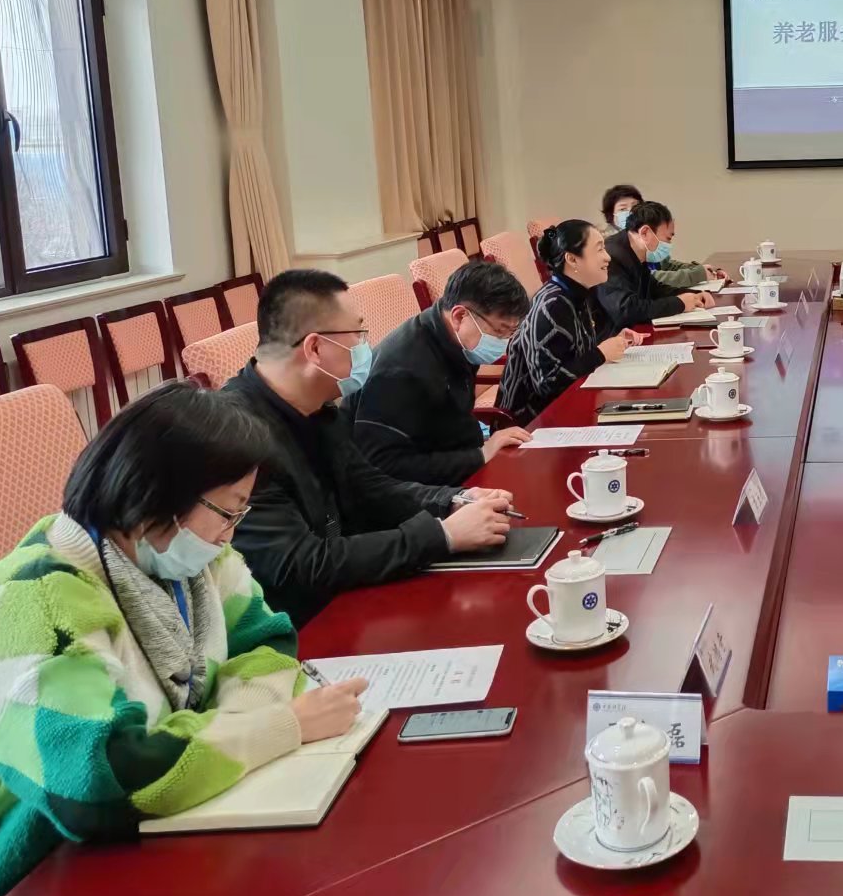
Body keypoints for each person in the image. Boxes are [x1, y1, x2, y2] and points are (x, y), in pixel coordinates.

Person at [0, 384, 369, 896]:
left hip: (141, 836)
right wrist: (279, 726)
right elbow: (100, 780)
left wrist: (229, 733)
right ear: (157, 496)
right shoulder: (36, 599)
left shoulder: (189, 557)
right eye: (228, 511)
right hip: (4, 885)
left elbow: (264, 640)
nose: (232, 532)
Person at [223, 269, 516, 626]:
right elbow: (302, 565)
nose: (367, 346)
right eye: (358, 334)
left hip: (347, 594)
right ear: (315, 348)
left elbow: (370, 487)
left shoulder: (318, 408)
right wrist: (442, 536)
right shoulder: (237, 438)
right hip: (296, 626)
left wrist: (454, 500)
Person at [347, 259, 532, 485]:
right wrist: (480, 455)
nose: (504, 342)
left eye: (510, 333)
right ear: (459, 316)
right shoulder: (402, 371)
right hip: (413, 491)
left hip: (453, 461)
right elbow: (385, 467)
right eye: (500, 331)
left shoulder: (454, 339)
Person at [498, 220, 644, 424]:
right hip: (531, 423)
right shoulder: (553, 304)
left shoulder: (575, 292)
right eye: (599, 249)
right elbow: (547, 384)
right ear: (572, 259)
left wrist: (613, 342)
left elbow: (575, 353)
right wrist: (601, 354)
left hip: (571, 405)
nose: (608, 257)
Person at [598, 200, 717, 334]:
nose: (669, 245)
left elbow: (654, 289)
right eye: (668, 238)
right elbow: (626, 310)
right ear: (645, 233)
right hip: (612, 338)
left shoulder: (635, 251)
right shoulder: (612, 257)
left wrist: (693, 296)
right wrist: (680, 303)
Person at [600, 183, 725, 289]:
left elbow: (666, 265)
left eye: (635, 206)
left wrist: (701, 269)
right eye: (623, 209)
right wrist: (696, 275)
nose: (630, 212)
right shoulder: (610, 248)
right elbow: (649, 278)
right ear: (611, 216)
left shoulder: (645, 237)